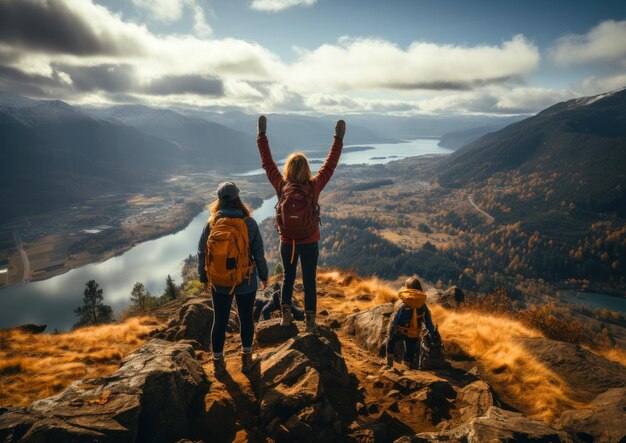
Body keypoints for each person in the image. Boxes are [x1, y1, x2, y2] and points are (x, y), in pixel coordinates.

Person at [256, 115, 346, 332]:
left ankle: (286, 318)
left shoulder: (281, 185)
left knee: (288, 277)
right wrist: (338, 139)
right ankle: (310, 322)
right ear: (306, 169)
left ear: (288, 169)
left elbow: (267, 163)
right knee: (309, 281)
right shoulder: (313, 187)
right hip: (309, 241)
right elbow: (329, 165)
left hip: (288, 241)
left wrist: (261, 136)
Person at [197, 182, 268, 376]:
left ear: (219, 201)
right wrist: (264, 275)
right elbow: (259, 254)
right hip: (245, 280)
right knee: (246, 318)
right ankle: (246, 360)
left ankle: (218, 364)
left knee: (219, 320)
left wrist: (204, 277)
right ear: (238, 198)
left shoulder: (212, 223)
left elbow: (202, 252)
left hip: (219, 281)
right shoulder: (249, 223)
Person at [385, 276, 435, 369]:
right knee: (410, 350)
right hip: (414, 333)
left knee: (390, 340)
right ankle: (407, 367)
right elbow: (428, 322)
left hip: (399, 330)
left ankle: (389, 363)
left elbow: (394, 320)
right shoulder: (422, 305)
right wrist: (432, 336)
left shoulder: (403, 303)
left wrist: (390, 332)